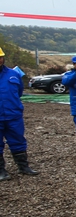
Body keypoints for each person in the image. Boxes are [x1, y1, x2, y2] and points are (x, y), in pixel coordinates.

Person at [0, 47, 39, 180]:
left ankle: (23, 167)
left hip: (13, 115)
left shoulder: (13, 74)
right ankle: (1, 171)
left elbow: (19, 92)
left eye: (0, 57)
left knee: (18, 140)